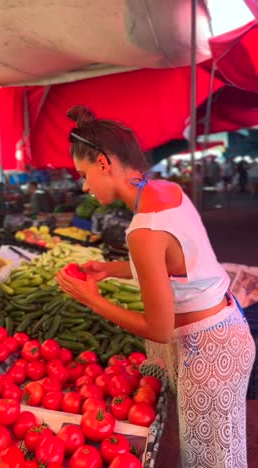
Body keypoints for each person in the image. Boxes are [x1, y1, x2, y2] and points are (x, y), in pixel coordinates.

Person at [56, 106, 255, 468]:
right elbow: (177, 264)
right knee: (221, 453)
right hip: (227, 331)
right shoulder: (165, 191)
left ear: (104, 164)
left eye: (83, 174)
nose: (83, 186)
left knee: (210, 461)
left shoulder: (143, 231)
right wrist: (111, 269)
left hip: (208, 352)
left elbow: (159, 330)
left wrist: (92, 299)